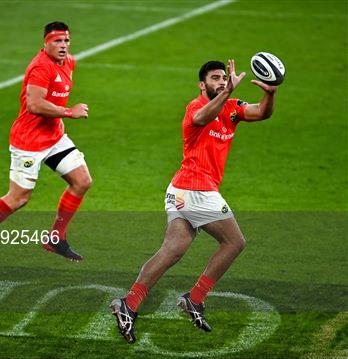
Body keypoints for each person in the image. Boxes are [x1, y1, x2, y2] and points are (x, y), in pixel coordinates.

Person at [110, 59, 278, 343]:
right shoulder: (195, 107)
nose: (222, 82)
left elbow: (262, 113)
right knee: (235, 242)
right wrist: (226, 94)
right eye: (215, 78)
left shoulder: (233, 108)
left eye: (224, 78)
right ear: (202, 85)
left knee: (172, 251)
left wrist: (270, 93)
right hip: (197, 191)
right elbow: (201, 119)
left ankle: (129, 304)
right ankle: (195, 298)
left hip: (181, 190)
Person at [0, 21, 92, 272]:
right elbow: (34, 104)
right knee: (19, 198)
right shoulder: (40, 67)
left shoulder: (69, 63)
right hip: (29, 140)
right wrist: (68, 112)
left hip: (53, 137)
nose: (63, 46)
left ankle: (56, 239)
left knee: (82, 181)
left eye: (66, 41)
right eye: (57, 41)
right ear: (45, 42)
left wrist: (61, 118)